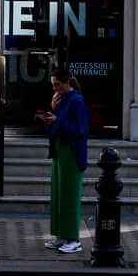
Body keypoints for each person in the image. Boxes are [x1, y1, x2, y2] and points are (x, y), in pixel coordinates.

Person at [37, 67, 89, 255]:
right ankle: (62, 235)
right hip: (60, 151)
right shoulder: (62, 100)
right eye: (53, 85)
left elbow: (79, 129)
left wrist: (56, 120)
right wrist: (51, 111)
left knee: (69, 196)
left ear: (67, 82)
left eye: (58, 85)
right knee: (59, 195)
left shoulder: (76, 100)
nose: (55, 88)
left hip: (71, 152)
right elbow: (58, 125)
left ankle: (73, 239)